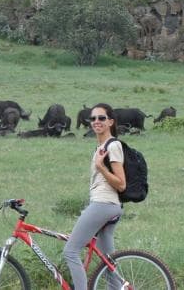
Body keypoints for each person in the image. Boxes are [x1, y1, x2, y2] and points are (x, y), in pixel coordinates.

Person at [64, 103, 125, 290]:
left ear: (110, 122)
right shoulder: (101, 146)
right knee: (108, 260)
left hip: (104, 204)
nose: (96, 122)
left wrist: (101, 168)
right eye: (93, 118)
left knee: (71, 251)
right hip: (107, 205)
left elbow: (121, 184)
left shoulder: (113, 145)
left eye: (101, 118)